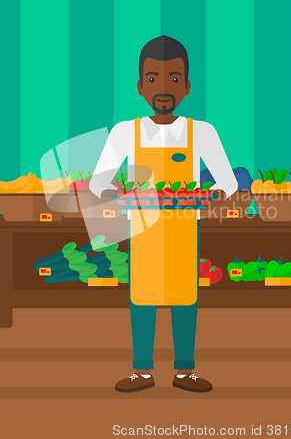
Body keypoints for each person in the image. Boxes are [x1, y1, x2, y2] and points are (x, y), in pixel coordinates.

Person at [90, 36, 237, 393]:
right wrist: (121, 195)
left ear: (186, 86)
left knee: (185, 295)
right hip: (143, 229)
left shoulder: (201, 132)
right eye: (153, 79)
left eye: (174, 79)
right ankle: (142, 370)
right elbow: (99, 183)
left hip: (186, 228)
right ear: (140, 86)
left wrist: (207, 196)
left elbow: (228, 183)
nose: (164, 88)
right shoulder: (127, 132)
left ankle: (185, 370)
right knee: (142, 295)